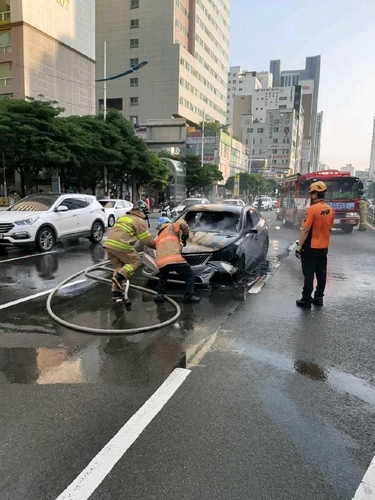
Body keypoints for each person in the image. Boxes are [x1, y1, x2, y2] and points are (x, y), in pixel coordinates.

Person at [104, 200, 156, 301]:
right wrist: (159, 247)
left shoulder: (123, 217)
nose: (146, 216)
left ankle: (116, 293)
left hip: (108, 245)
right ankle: (120, 277)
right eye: (145, 213)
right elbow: (147, 241)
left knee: (119, 267)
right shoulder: (139, 221)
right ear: (142, 211)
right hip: (121, 245)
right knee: (135, 261)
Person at [295, 181, 335, 309]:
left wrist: (299, 246)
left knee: (309, 274)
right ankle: (319, 298)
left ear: (314, 195)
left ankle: (306, 299)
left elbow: (305, 229)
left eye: (311, 194)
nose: (310, 196)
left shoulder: (312, 210)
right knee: (321, 273)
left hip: (310, 247)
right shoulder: (330, 210)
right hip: (323, 248)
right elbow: (329, 229)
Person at [154, 217, 201, 304]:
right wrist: (185, 235)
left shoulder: (159, 236)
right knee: (189, 274)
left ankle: (160, 295)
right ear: (168, 222)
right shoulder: (171, 226)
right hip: (173, 258)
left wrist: (181, 243)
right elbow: (182, 223)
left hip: (161, 261)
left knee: (163, 276)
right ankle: (189, 296)